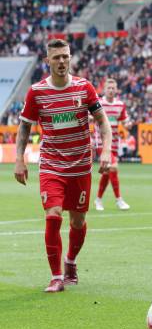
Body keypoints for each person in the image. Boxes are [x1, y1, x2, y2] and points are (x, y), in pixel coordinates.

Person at [14, 39, 112, 293]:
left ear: (70, 58)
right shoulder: (36, 92)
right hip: (51, 165)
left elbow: (103, 122)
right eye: (56, 57)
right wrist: (19, 159)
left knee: (77, 221)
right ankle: (56, 276)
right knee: (53, 214)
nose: (61, 61)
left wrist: (107, 150)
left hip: (80, 165)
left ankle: (70, 262)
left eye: (65, 57)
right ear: (48, 61)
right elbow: (24, 126)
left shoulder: (84, 88)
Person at [94, 78, 130, 211]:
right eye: (108, 88)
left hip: (114, 144)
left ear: (116, 90)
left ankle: (98, 200)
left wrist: (128, 124)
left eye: (113, 88)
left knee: (107, 173)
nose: (111, 90)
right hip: (101, 143)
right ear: (104, 90)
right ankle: (119, 200)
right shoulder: (98, 103)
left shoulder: (120, 105)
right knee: (113, 167)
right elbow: (89, 116)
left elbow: (125, 121)